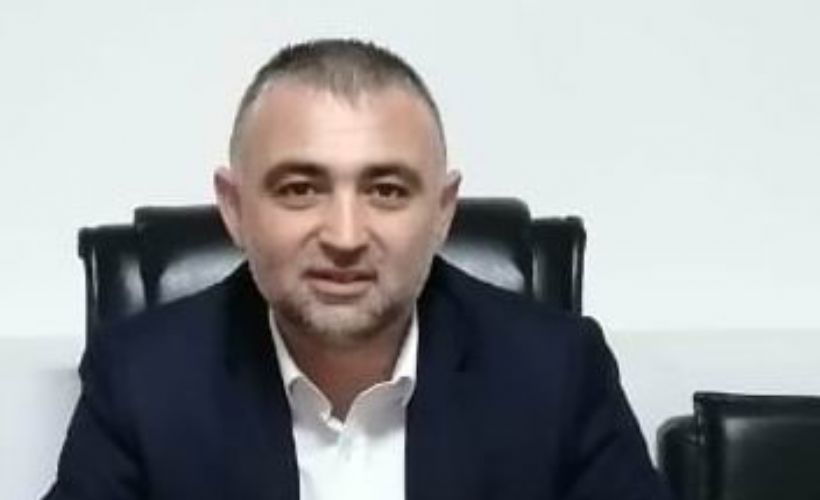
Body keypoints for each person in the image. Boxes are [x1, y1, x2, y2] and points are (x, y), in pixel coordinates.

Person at [45, 39, 668, 500]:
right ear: (234, 210)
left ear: (442, 212)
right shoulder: (141, 382)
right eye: (299, 189)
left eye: (387, 191)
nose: (344, 237)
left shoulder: (557, 373)